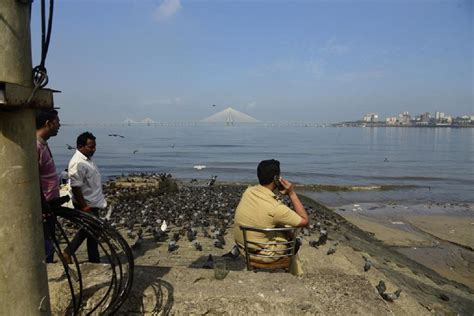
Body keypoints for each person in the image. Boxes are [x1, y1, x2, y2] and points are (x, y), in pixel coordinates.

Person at [233, 159, 309, 275]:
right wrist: (291, 193)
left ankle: (295, 271)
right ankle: (295, 272)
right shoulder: (276, 207)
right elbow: (305, 221)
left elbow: (264, 211)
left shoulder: (248, 191)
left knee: (280, 225)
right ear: (276, 179)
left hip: (244, 249)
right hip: (262, 256)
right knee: (293, 239)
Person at [63, 132, 107, 263]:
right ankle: (67, 252)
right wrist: (84, 207)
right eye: (90, 146)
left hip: (93, 201)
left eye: (94, 146)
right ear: (80, 146)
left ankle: (94, 260)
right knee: (91, 229)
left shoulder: (86, 159)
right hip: (87, 203)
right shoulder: (77, 163)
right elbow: (76, 188)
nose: (94, 149)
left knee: (93, 233)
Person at [36, 109, 61, 263]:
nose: (59, 126)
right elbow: (33, 180)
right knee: (45, 248)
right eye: (57, 122)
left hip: (50, 207)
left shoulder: (43, 144)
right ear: (48, 123)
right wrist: (41, 206)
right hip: (44, 209)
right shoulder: (36, 146)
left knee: (50, 244)